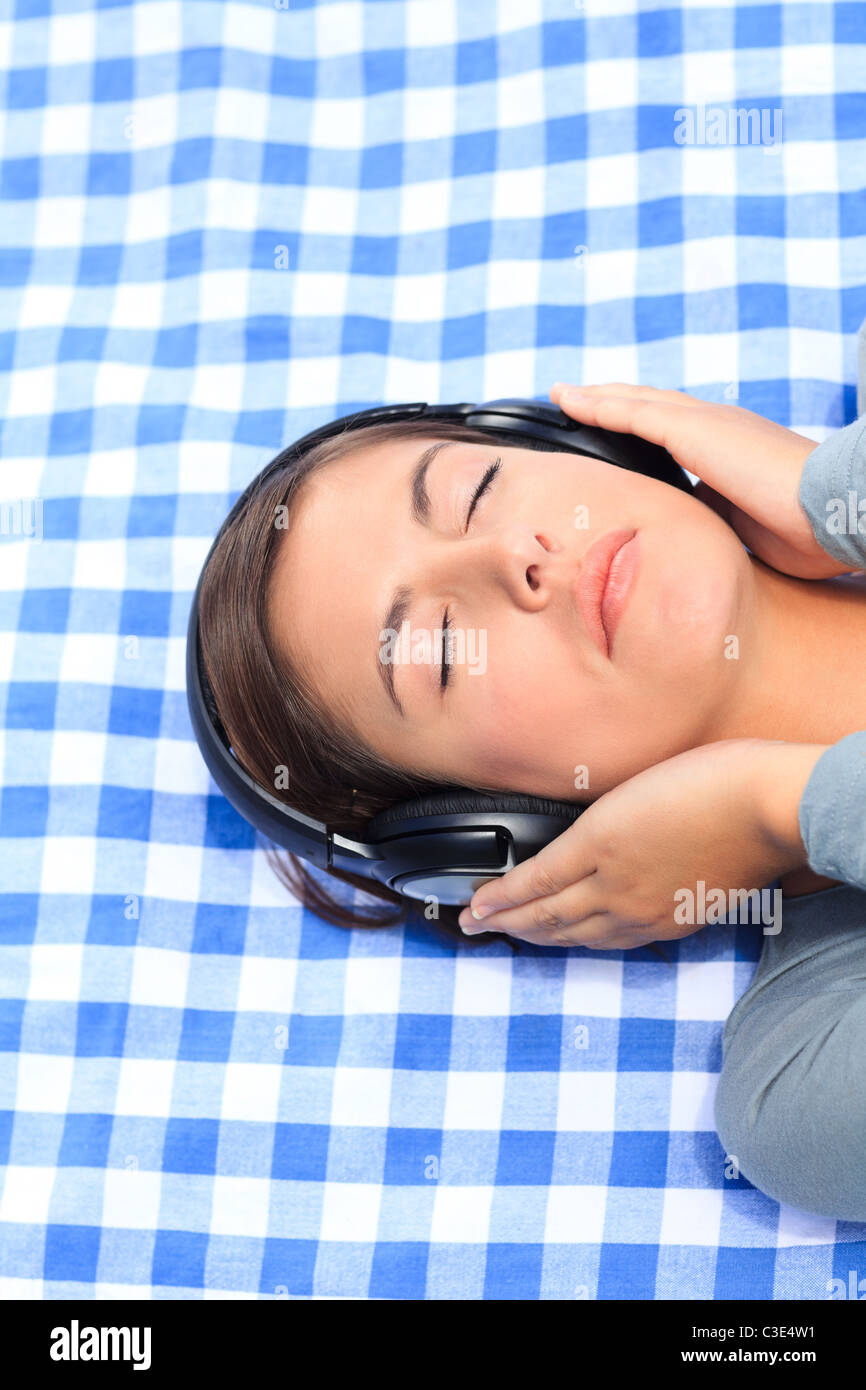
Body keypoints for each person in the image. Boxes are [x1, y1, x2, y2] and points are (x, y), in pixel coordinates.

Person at [198, 377, 866, 1220]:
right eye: (442, 651)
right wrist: (783, 804)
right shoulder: (803, 1083)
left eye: (474, 491)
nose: (517, 558)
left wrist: (838, 494)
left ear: (583, 442)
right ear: (492, 832)